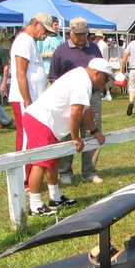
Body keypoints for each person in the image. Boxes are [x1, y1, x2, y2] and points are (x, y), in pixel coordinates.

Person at [23, 58, 110, 216]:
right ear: (97, 74)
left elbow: (86, 111)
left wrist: (95, 131)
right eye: (106, 79)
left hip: (46, 123)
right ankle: (35, 205)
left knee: (52, 161)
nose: (105, 84)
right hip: (40, 120)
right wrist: (75, 138)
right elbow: (76, 112)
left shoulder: (83, 78)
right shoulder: (82, 82)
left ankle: (55, 198)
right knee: (41, 163)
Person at [49, 17, 104, 185]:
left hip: (92, 96)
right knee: (67, 133)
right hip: (69, 100)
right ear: (70, 33)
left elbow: (101, 70)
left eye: (83, 34)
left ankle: (89, 171)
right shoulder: (61, 51)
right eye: (77, 34)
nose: (80, 38)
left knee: (92, 131)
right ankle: (65, 171)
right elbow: (53, 77)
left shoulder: (94, 48)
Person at [8, 12, 55, 153]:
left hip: (32, 99)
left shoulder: (30, 42)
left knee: (32, 136)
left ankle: (30, 172)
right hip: (24, 99)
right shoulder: (23, 41)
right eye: (45, 30)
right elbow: (20, 73)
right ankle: (23, 173)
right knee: (25, 137)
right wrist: (27, 101)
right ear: (35, 24)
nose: (46, 34)